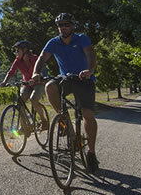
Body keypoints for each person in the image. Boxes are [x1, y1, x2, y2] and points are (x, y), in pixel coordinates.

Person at [32, 13, 100, 173]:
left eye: (66, 24)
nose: (63, 28)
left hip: (84, 79)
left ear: (72, 26)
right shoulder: (54, 42)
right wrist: (36, 72)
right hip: (66, 79)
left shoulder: (81, 38)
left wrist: (89, 71)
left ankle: (91, 153)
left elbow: (91, 53)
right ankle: (65, 120)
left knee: (88, 115)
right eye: (60, 25)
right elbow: (42, 57)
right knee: (50, 86)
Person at [0, 40, 49, 131]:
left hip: (39, 83)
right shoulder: (17, 61)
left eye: (18, 51)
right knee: (20, 103)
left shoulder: (35, 58)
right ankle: (25, 126)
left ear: (25, 50)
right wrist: (4, 81)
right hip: (27, 84)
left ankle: (43, 121)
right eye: (16, 51)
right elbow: (11, 72)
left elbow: (41, 71)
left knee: (33, 99)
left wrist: (36, 78)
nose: (16, 53)